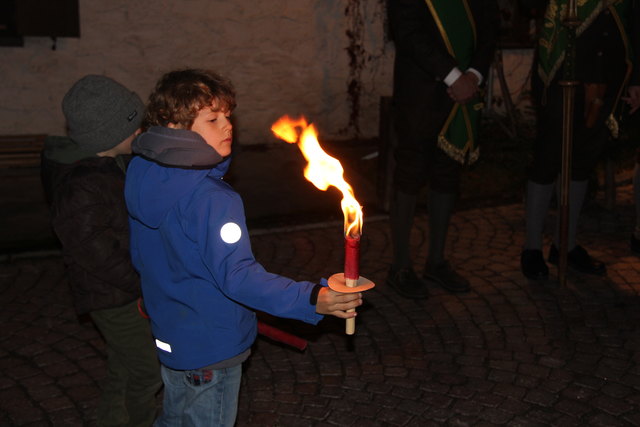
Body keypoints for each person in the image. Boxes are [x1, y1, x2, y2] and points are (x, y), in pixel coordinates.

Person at [124, 69, 364, 426]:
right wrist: (313, 298)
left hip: (172, 334)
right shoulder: (211, 198)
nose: (228, 126)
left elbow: (142, 256)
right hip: (211, 347)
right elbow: (238, 277)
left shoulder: (142, 171)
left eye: (227, 115)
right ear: (175, 127)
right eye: (212, 119)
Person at [41, 75, 162, 426]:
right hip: (113, 297)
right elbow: (95, 252)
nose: (140, 130)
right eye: (132, 124)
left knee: (123, 367)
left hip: (121, 290)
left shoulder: (109, 165)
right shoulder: (81, 186)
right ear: (107, 135)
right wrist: (142, 281)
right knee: (147, 370)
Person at [386, 0, 499, 298]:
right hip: (420, 92)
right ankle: (400, 266)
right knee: (410, 172)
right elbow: (407, 31)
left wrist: (474, 75)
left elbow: (489, 26)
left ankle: (436, 262)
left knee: (448, 173)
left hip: (464, 92)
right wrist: (453, 76)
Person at [520, 0, 640, 280]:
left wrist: (637, 79)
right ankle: (532, 247)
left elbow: (635, 18)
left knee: (583, 161)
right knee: (548, 157)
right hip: (563, 68)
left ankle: (566, 244)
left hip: (610, 71)